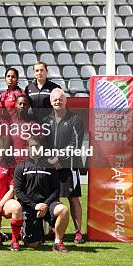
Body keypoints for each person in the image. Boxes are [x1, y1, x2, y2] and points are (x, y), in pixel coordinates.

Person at [13, 135, 70, 252]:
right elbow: (17, 191)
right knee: (33, 245)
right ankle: (33, 234)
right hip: (29, 208)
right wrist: (34, 206)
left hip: (47, 206)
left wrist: (45, 205)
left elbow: (56, 190)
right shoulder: (20, 167)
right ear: (28, 148)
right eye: (32, 146)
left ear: (41, 147)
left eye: (37, 146)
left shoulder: (49, 166)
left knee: (63, 210)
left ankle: (57, 242)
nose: (35, 148)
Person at [44, 88, 85, 245]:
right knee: (53, 198)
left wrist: (58, 158)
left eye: (60, 99)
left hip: (70, 166)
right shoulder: (47, 120)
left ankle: (78, 232)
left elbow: (75, 144)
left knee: (73, 198)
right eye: (54, 99)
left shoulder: (75, 119)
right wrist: (50, 159)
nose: (57, 101)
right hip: (51, 166)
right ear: (50, 101)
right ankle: (54, 230)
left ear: (66, 100)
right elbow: (43, 143)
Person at [9, 95, 38, 164]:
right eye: (20, 104)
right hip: (12, 161)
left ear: (28, 106)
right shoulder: (10, 119)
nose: (22, 106)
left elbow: (39, 144)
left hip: (27, 162)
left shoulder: (33, 124)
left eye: (24, 104)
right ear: (16, 105)